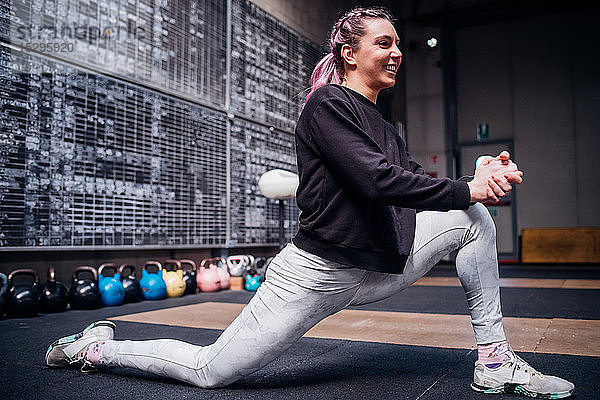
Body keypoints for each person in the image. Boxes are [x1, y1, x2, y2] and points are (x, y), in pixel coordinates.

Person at [45, 7, 574, 398]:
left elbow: (411, 183)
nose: (396, 54)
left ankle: (494, 360)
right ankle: (97, 348)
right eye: (383, 44)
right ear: (349, 53)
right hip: (316, 273)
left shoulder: (385, 127)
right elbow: (375, 182)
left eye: (397, 45)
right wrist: (465, 189)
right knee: (213, 371)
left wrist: (474, 179)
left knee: (472, 216)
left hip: (381, 264)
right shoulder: (326, 107)